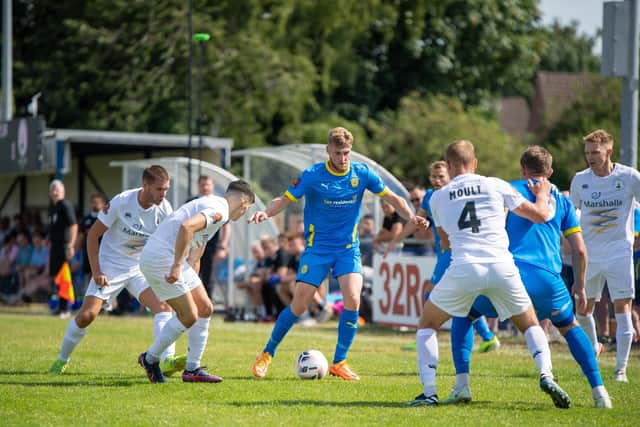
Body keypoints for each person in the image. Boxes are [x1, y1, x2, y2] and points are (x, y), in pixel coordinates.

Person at [249, 126, 426, 380]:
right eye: (338, 152)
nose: (343, 158)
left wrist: (413, 217)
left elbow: (394, 198)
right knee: (299, 304)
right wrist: (266, 212)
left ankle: (339, 362)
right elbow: (284, 199)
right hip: (317, 249)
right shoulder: (312, 175)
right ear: (328, 150)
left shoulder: (361, 173)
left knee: (353, 298)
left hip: (347, 250)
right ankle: (267, 353)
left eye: (347, 152)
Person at [407, 140, 570, 408]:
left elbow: (445, 242)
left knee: (427, 324)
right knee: (530, 324)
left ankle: (430, 393)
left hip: (464, 267)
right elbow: (540, 215)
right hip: (501, 266)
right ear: (476, 163)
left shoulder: (437, 196)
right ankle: (546, 374)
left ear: (448, 166)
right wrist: (542, 193)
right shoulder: (495, 184)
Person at [446, 146, 611, 408]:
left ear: (522, 168)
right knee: (568, 326)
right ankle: (600, 392)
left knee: (465, 314)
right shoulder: (563, 201)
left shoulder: (506, 188)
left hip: (508, 274)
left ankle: (462, 385)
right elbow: (579, 250)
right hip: (547, 280)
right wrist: (580, 286)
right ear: (551, 171)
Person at [48, 166, 185, 376]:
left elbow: (169, 241)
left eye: (166, 189)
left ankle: (166, 361)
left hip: (140, 268)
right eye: (159, 189)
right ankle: (61, 360)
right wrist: (96, 271)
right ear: (146, 185)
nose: (163, 194)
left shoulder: (165, 208)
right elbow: (93, 236)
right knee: (87, 315)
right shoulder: (122, 202)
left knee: (164, 308)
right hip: (111, 266)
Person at [137, 180, 255, 383]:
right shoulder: (220, 211)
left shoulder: (217, 206)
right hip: (161, 258)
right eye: (247, 209)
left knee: (205, 308)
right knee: (188, 315)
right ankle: (150, 358)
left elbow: (198, 242)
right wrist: (176, 266)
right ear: (243, 202)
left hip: (170, 256)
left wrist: (191, 268)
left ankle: (192, 369)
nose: (244, 214)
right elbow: (186, 227)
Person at [385, 161, 499, 353]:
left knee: (431, 293)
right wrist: (395, 241)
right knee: (464, 298)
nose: (437, 181)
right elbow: (415, 222)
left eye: (441, 177)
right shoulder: (430, 196)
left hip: (454, 254)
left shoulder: (457, 194)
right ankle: (487, 337)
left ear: (450, 176)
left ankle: (425, 335)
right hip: (445, 254)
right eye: (434, 177)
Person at [570, 129, 640, 383]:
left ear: (608, 151)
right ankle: (596, 345)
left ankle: (621, 370)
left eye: (595, 152)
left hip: (619, 252)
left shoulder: (630, 177)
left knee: (622, 308)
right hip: (589, 255)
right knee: (582, 309)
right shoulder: (580, 180)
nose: (590, 157)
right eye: (587, 152)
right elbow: (573, 214)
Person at [188, 175, 231, 302]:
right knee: (190, 275)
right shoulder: (191, 201)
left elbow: (226, 226)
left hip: (210, 247)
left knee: (208, 278)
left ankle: (206, 305)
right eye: (202, 184)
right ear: (198, 186)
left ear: (212, 186)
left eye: (208, 184)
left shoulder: (218, 202)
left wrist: (223, 246)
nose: (205, 187)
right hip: (191, 246)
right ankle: (190, 304)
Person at [47, 180, 78, 318]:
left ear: (62, 191)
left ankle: (66, 309)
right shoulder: (52, 208)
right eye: (52, 189)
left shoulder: (65, 206)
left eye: (57, 189)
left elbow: (73, 225)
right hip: (54, 247)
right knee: (57, 277)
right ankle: (60, 307)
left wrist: (70, 245)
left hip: (64, 247)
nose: (54, 192)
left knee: (65, 276)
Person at [80, 192, 107, 291]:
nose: (95, 205)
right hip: (88, 252)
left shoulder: (105, 218)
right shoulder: (86, 219)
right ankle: (88, 295)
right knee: (88, 275)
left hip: (103, 252)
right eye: (93, 202)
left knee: (104, 275)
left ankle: (109, 304)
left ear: (103, 204)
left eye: (98, 203)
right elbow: (81, 236)